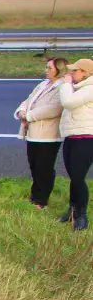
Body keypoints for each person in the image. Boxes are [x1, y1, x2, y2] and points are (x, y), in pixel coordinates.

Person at [15, 57, 67, 211]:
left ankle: (42, 199)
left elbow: (54, 108)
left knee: (44, 167)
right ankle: (34, 195)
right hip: (33, 132)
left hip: (49, 135)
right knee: (34, 165)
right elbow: (28, 100)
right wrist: (22, 110)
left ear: (59, 69)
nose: (46, 70)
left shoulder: (62, 87)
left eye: (49, 68)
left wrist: (29, 115)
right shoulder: (42, 85)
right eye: (46, 67)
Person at [59, 57, 93, 231]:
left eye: (75, 71)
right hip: (71, 137)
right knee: (74, 177)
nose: (71, 74)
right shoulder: (77, 88)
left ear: (85, 73)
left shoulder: (90, 88)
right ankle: (73, 209)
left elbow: (68, 103)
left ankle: (82, 215)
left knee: (78, 178)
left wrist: (66, 85)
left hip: (86, 139)